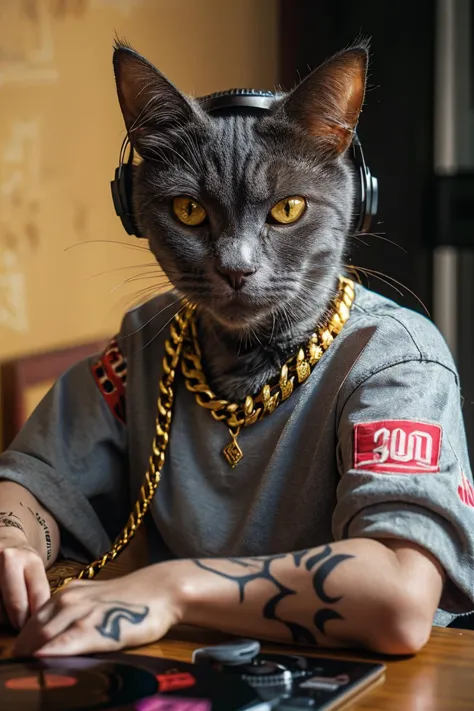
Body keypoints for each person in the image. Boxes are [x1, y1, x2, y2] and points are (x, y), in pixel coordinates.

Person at [1, 41, 473, 658]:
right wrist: (13, 540)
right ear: (134, 209)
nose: (235, 262)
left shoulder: (392, 361)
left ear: (352, 200)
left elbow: (400, 600)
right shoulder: (153, 339)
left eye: (285, 209)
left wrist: (172, 589)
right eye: (191, 211)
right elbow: (32, 480)